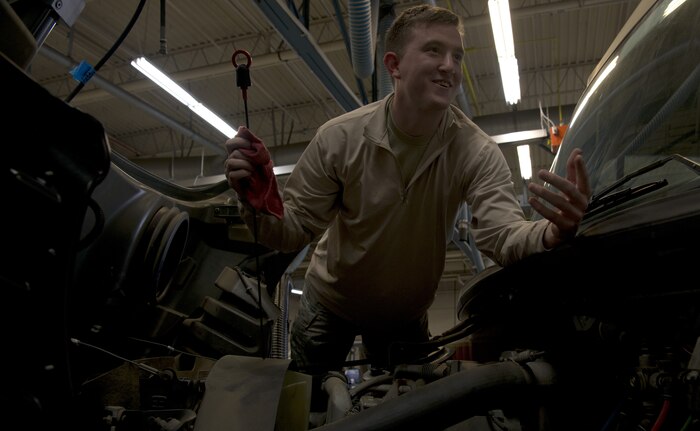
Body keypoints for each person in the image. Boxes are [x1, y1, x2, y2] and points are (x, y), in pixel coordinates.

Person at [224, 4, 589, 381]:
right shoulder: (339, 139)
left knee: (413, 411)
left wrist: (547, 234)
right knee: (308, 404)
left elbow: (501, 233)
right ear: (394, 65)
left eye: (457, 55)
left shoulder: (476, 151)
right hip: (330, 304)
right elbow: (293, 230)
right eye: (434, 50)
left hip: (405, 316)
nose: (450, 65)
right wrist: (259, 204)